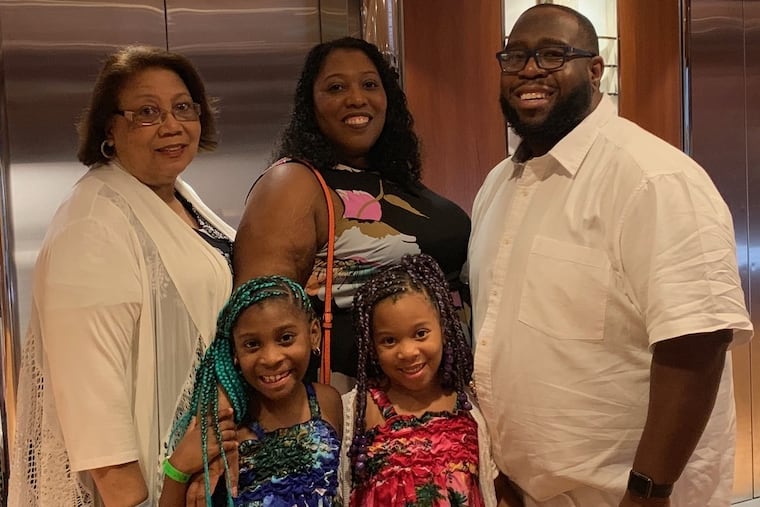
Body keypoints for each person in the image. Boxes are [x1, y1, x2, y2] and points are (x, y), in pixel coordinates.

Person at [467, 4, 753, 507]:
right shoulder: (499, 184)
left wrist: (648, 492)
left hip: (628, 497)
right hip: (522, 491)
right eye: (514, 57)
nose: (529, 70)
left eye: (552, 55)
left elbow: (696, 345)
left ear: (595, 70)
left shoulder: (653, 179)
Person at [8, 45, 235, 506]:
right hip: (148, 488)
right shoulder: (92, 222)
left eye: (183, 107)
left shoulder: (178, 196)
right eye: (147, 112)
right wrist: (135, 494)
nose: (172, 125)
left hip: (199, 471)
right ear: (109, 128)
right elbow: (95, 410)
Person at [233, 37, 471, 391]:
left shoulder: (394, 180)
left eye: (370, 84)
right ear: (310, 105)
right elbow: (258, 320)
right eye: (336, 87)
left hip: (443, 396)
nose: (357, 98)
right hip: (358, 403)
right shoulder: (293, 182)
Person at [340, 254, 520, 507]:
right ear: (372, 346)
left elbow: (497, 489)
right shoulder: (358, 409)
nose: (408, 352)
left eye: (421, 334)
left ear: (443, 329)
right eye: (389, 340)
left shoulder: (470, 406)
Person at [164, 275, 343, 507]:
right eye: (252, 344)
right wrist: (177, 468)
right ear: (235, 353)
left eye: (286, 338)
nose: (270, 358)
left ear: (314, 333)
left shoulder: (327, 400)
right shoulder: (225, 426)